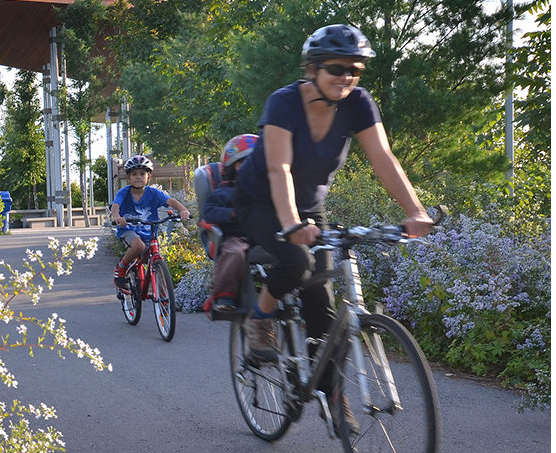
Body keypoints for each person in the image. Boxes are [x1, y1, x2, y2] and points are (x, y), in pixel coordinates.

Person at [232, 24, 433, 364]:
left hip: (309, 206)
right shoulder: (284, 103)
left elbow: (383, 159)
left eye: (355, 70)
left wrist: (416, 211)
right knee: (297, 263)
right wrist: (293, 224)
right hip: (261, 202)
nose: (347, 77)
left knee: (321, 307)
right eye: (336, 69)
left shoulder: (358, 103)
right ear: (312, 69)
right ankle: (260, 318)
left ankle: (335, 404)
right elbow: (278, 168)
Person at [109, 155, 190, 294]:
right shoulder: (125, 192)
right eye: (134, 174)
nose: (138, 177)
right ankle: (121, 268)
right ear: (129, 178)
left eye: (142, 174)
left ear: (149, 177)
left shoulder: (153, 192)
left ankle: (163, 294)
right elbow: (116, 205)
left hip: (149, 230)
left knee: (155, 257)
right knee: (139, 246)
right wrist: (117, 216)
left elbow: (171, 201)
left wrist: (183, 209)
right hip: (128, 229)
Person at [201, 134, 257, 314]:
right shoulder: (224, 193)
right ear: (233, 168)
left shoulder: (269, 191)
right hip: (237, 237)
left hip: (265, 236)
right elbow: (208, 212)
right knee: (234, 253)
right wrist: (231, 213)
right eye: (243, 164)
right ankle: (223, 295)